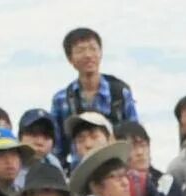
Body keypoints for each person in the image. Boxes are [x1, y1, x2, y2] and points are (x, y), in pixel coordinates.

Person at [50, 27, 138, 158]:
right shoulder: (62, 99)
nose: (88, 55)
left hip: (115, 167)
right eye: (80, 50)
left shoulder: (119, 92)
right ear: (70, 59)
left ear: (101, 53)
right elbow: (58, 148)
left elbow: (135, 135)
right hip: (79, 170)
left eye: (93, 48)